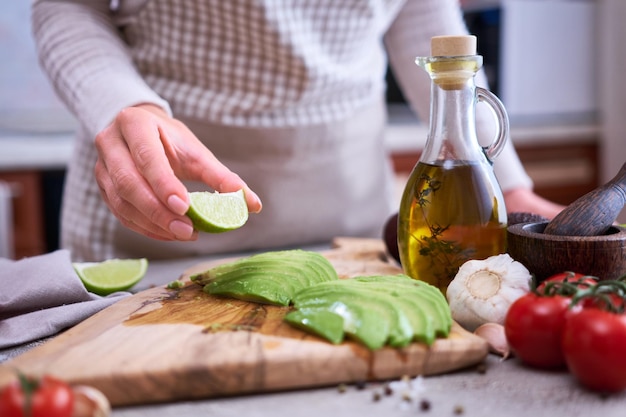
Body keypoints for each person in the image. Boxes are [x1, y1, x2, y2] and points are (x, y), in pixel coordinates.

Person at [31, 0, 563, 262]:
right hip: (159, 185)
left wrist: (506, 182)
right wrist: (122, 106)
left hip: (349, 206)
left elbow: (423, 18)